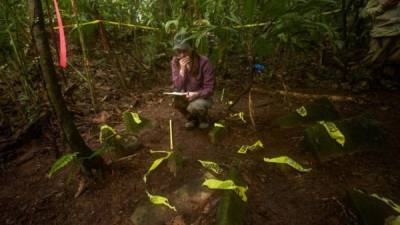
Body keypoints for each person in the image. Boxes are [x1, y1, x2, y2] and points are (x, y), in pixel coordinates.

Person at [170, 35, 215, 129]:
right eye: (178, 51)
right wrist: (182, 70)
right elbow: (177, 86)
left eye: (185, 51)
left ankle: (203, 118)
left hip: (202, 97)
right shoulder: (175, 61)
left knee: (195, 106)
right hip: (186, 95)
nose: (182, 55)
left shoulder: (204, 62)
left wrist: (196, 94)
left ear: (192, 49)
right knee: (175, 100)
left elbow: (209, 89)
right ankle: (191, 119)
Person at [362, 0, 400, 72]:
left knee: (395, 61)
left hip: (398, 33)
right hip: (382, 33)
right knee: (374, 61)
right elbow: (365, 14)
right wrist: (382, 7)